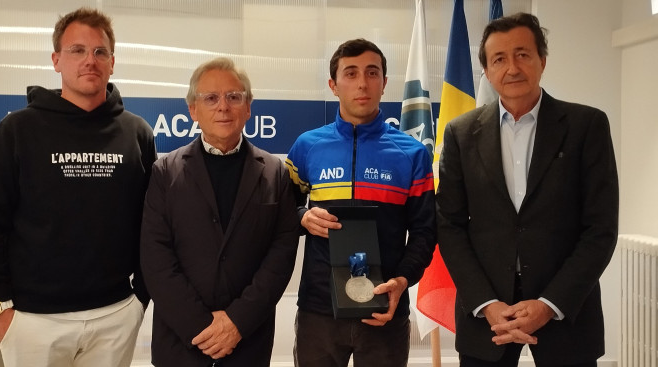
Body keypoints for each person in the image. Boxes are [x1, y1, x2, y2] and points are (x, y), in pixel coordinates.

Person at [0, 7, 156, 367]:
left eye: (100, 52)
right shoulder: (17, 130)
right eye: (77, 50)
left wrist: (139, 299)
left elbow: (152, 223)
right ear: (56, 60)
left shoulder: (137, 133)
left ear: (112, 62)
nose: (90, 61)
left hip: (114, 315)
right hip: (32, 319)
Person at [436, 12, 619, 367]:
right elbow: (450, 225)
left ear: (542, 61)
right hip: (487, 315)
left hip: (567, 311)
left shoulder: (587, 126)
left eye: (522, 54)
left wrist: (549, 305)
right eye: (499, 59)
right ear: (487, 72)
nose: (512, 67)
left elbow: (600, 229)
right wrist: (486, 304)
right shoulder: (460, 133)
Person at [285, 38, 436, 367]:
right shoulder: (306, 147)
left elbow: (425, 232)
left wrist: (403, 281)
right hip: (318, 311)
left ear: (384, 83)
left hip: (385, 308)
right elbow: (280, 212)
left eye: (372, 72)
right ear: (333, 85)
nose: (362, 83)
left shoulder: (413, 154)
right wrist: (302, 216)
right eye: (350, 73)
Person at [140, 57, 299, 367]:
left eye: (234, 96)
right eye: (210, 98)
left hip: (248, 341)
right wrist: (201, 327)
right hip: (181, 343)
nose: (223, 107)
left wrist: (237, 323)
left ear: (248, 106)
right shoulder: (164, 172)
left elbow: (281, 254)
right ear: (193, 110)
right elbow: (155, 258)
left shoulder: (274, 173)